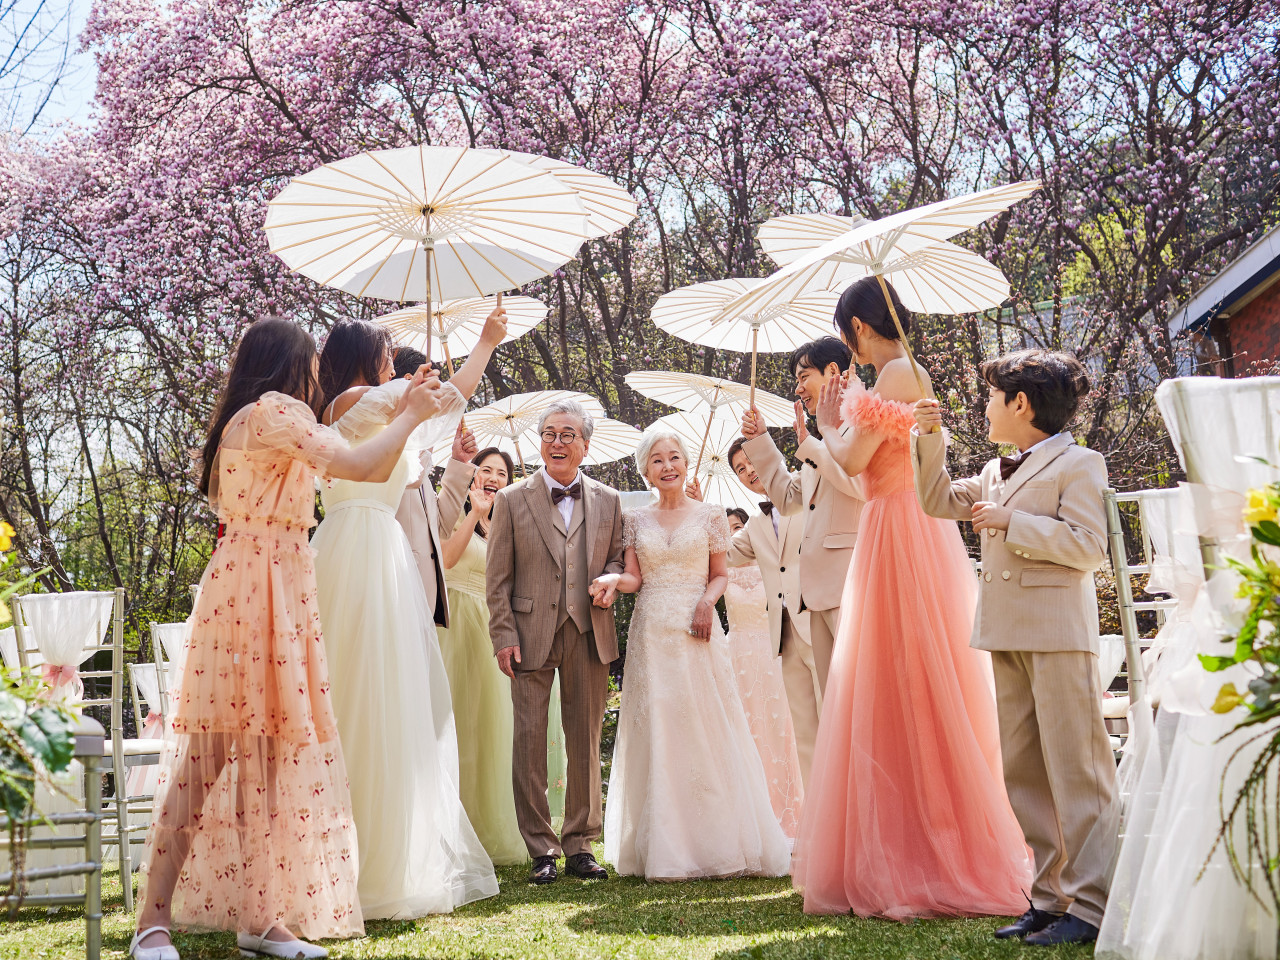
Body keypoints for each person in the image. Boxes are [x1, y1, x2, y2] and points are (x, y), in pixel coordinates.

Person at [130, 317, 444, 960]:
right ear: (289, 367)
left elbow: (370, 462)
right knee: (207, 761)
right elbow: (358, 458)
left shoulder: (261, 420)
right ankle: (151, 922)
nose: (316, 379)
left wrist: (411, 412)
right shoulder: (273, 411)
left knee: (273, 759)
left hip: (277, 580)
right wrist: (410, 411)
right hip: (257, 586)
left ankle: (263, 917)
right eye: (310, 366)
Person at [790, 277, 1031, 918]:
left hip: (899, 528)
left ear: (860, 329)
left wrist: (824, 420)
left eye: (849, 338)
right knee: (904, 680)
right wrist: (838, 423)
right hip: (897, 525)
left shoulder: (897, 373)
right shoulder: (901, 373)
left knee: (909, 680)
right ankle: (914, 836)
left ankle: (927, 849)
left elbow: (851, 454)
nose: (852, 352)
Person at [912, 349, 1115, 946]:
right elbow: (936, 501)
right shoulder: (998, 469)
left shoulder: (1081, 463)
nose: (985, 407)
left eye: (991, 397)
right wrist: (929, 436)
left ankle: (1093, 905)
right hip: (1006, 632)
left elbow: (1087, 547)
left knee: (1077, 772)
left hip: (1056, 636)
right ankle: (1049, 899)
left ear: (1020, 403)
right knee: (1024, 773)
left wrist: (1009, 523)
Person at [309, 311, 507, 919]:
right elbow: (447, 398)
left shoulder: (383, 411)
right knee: (361, 694)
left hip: (374, 552)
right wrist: (483, 344)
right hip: (358, 550)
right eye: (386, 353)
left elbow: (436, 414)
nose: (392, 361)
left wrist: (428, 399)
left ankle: (380, 852)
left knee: (387, 698)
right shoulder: (352, 400)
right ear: (364, 358)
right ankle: (351, 861)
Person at [593, 428, 791, 880]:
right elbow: (633, 577)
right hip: (650, 632)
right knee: (659, 725)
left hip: (697, 629)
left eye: (676, 457)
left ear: (687, 464)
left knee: (705, 723)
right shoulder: (635, 519)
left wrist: (706, 603)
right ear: (646, 470)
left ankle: (718, 841)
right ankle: (665, 846)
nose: (669, 466)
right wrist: (610, 583)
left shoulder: (711, 515)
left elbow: (720, 574)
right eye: (659, 460)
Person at [485, 398, 624, 885]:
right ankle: (540, 848)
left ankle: (580, 844)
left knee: (584, 740)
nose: (557, 442)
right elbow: (497, 577)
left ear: (585, 444)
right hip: (528, 634)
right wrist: (503, 633)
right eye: (549, 433)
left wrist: (609, 580)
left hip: (588, 631)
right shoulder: (511, 499)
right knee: (529, 741)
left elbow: (619, 559)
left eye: (568, 434)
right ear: (539, 441)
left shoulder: (609, 499)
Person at [436, 446, 570, 864]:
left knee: (494, 729)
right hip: (457, 623)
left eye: (501, 472)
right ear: (472, 476)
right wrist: (474, 514)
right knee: (458, 724)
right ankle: (449, 824)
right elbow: (445, 560)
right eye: (485, 470)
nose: (493, 477)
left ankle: (494, 822)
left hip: (496, 628)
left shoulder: (507, 523)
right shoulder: (451, 514)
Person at [739, 336, 863, 693]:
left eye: (803, 376)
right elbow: (791, 498)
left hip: (852, 587)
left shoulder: (861, 425)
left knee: (858, 696)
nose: (798, 389)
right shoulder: (823, 442)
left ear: (833, 371)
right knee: (835, 706)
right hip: (814, 595)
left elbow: (861, 486)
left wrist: (814, 443)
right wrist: (762, 440)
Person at [721, 437, 822, 786]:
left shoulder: (809, 482)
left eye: (751, 461)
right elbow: (726, 554)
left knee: (836, 723)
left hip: (823, 624)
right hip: (784, 639)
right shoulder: (754, 526)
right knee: (805, 734)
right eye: (740, 470)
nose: (749, 472)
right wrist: (695, 508)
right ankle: (818, 823)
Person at [722, 505, 804, 839]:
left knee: (780, 730)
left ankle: (790, 809)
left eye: (738, 526)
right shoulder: (720, 569)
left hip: (772, 654)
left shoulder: (773, 562)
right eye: (726, 529)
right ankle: (747, 815)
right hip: (736, 657)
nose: (733, 534)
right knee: (745, 729)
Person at [391, 345, 479, 629]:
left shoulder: (419, 458)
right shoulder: (388, 447)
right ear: (409, 380)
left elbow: (439, 527)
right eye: (435, 386)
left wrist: (458, 461)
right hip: (396, 593)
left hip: (425, 604)